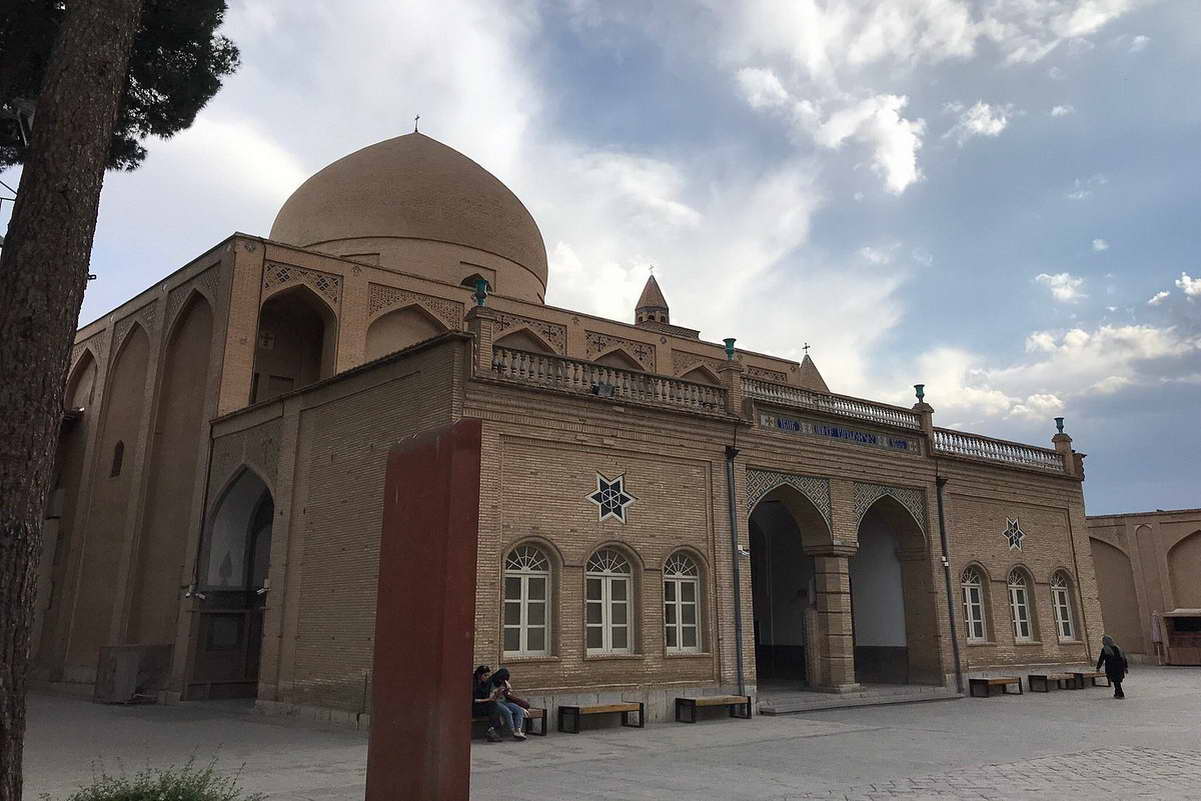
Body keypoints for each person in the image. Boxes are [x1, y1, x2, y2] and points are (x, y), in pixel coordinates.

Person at [489, 667, 528, 741]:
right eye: (501, 680)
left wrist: (507, 690)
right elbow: (491, 698)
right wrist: (498, 692)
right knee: (507, 711)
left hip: (504, 701)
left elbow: (509, 693)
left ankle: (518, 730)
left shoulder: (504, 682)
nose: (502, 681)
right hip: (495, 702)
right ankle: (513, 731)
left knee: (518, 709)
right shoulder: (492, 682)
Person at [472, 665, 503, 742]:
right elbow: (473, 700)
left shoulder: (485, 683)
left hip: (482, 706)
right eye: (485, 675)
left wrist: (498, 692)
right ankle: (492, 730)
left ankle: (491, 729)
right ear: (479, 675)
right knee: (493, 706)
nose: (486, 677)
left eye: (488, 675)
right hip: (473, 707)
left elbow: (489, 697)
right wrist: (487, 699)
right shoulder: (473, 683)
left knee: (494, 706)